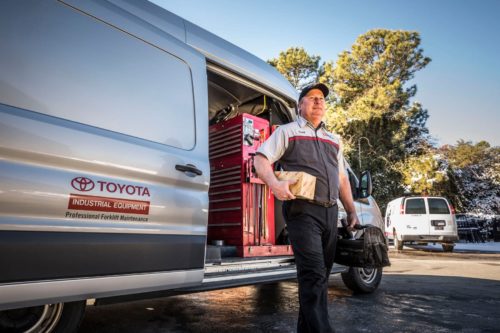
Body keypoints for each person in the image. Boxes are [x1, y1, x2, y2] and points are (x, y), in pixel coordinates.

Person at [254, 83, 360, 333]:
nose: (318, 102)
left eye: (321, 99)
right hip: (302, 211)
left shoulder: (334, 139)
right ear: (299, 105)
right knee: (312, 274)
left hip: (330, 211)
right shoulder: (287, 132)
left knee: (320, 277)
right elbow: (260, 159)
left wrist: (351, 209)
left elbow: (342, 178)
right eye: (312, 98)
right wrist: (274, 185)